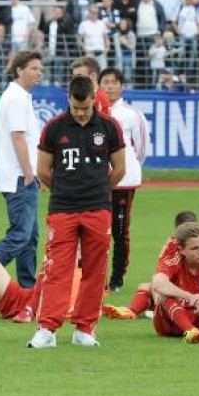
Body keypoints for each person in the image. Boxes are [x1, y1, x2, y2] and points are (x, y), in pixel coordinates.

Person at [27, 75, 126, 349]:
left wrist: (99, 190)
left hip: (97, 209)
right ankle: (47, 328)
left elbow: (119, 168)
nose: (80, 113)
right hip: (63, 209)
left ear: (94, 100)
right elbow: (43, 170)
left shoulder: (109, 127)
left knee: (95, 270)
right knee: (56, 269)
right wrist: (63, 191)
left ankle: (85, 328)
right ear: (68, 100)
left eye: (85, 108)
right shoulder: (54, 128)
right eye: (75, 108)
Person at [102, 211, 199, 320]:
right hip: (183, 290)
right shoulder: (172, 244)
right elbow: (160, 278)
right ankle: (131, 311)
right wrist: (159, 300)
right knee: (148, 287)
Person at [0, 51, 43, 294]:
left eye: (39, 68)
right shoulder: (17, 98)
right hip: (20, 177)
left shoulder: (18, 96)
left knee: (29, 237)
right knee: (21, 236)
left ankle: (27, 289)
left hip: (18, 175)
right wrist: (29, 171)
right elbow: (18, 136)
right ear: (19, 70)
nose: (38, 73)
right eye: (33, 68)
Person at [98, 68, 151, 291]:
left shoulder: (132, 114)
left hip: (123, 181)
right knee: (96, 231)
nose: (109, 86)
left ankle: (117, 279)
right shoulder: (92, 112)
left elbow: (140, 149)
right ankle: (94, 279)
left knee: (119, 230)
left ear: (121, 86)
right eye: (105, 82)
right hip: (96, 182)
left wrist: (126, 166)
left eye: (113, 82)